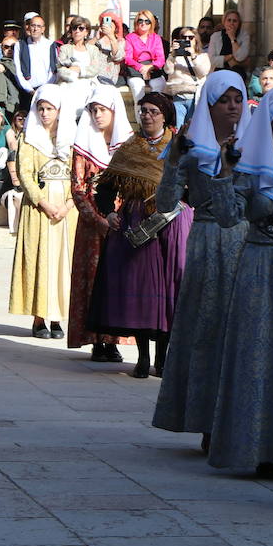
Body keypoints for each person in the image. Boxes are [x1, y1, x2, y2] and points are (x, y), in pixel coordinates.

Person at [206, 88, 273, 478]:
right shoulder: (250, 167)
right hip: (261, 267)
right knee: (261, 356)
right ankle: (261, 447)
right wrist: (225, 171)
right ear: (267, 124)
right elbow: (225, 218)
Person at [152, 71, 250, 446]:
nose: (231, 106)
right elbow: (165, 204)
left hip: (248, 241)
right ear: (208, 102)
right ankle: (207, 417)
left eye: (237, 99)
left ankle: (241, 415)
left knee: (242, 328)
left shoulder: (259, 143)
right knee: (208, 327)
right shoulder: (193, 145)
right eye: (223, 99)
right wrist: (174, 162)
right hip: (208, 240)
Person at [87, 93, 193, 379]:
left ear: (166, 116)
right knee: (143, 294)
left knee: (170, 290)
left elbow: (194, 184)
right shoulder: (129, 148)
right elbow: (106, 186)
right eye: (143, 110)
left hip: (172, 223)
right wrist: (108, 212)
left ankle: (164, 359)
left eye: (154, 111)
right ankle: (144, 358)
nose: (147, 116)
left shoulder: (179, 147)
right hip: (136, 224)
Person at [69, 83, 132, 361]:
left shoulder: (129, 147)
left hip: (122, 224)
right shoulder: (83, 147)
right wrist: (97, 219)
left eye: (102, 110)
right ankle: (96, 340)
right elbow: (78, 188)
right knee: (93, 281)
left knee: (118, 281)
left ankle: (114, 339)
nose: (97, 115)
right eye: (93, 110)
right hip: (93, 226)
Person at [8, 83, 77, 339]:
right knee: (40, 259)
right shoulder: (29, 137)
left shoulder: (71, 136)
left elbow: (79, 174)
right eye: (41, 108)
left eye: (50, 108)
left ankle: (58, 317)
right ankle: (39, 317)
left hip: (66, 207)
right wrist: (43, 203)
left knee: (62, 261)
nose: (46, 113)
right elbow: (24, 174)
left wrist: (69, 204)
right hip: (40, 206)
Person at [163, 26, 210, 126]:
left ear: (196, 39)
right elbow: (168, 70)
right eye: (184, 38)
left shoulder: (203, 56)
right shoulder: (174, 57)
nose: (187, 40)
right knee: (178, 128)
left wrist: (193, 56)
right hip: (178, 96)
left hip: (194, 97)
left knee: (192, 128)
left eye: (191, 38)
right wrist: (172, 55)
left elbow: (203, 72)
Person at [10, 13, 57, 110]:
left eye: (38, 26)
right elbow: (17, 70)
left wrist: (45, 88)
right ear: (28, 27)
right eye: (33, 26)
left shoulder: (50, 45)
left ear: (43, 29)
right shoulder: (20, 45)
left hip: (46, 90)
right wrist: (30, 90)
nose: (35, 29)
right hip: (27, 91)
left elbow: (53, 69)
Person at [123, 10, 166, 108]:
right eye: (140, 21)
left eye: (147, 21)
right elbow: (128, 58)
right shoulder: (130, 37)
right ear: (136, 22)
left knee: (159, 84)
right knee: (138, 87)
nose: (143, 23)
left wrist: (149, 67)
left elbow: (161, 59)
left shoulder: (156, 38)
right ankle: (141, 117)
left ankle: (156, 114)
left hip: (152, 70)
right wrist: (141, 68)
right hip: (136, 70)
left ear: (152, 23)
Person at [206, 9, 251, 76]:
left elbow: (240, 57)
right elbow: (212, 60)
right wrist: (230, 57)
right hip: (218, 72)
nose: (231, 23)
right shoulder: (215, 36)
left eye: (234, 21)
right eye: (229, 20)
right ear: (224, 22)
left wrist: (232, 38)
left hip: (237, 73)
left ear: (239, 23)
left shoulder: (244, 36)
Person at [91, 11, 127, 86]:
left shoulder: (119, 41)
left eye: (111, 23)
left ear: (115, 27)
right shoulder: (96, 39)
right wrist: (96, 38)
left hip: (109, 77)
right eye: (105, 22)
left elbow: (118, 57)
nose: (107, 25)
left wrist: (111, 37)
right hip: (93, 76)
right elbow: (85, 51)